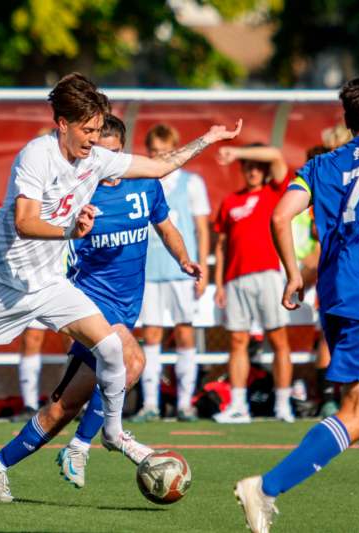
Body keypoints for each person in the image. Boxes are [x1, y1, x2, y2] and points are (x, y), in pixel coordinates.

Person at [0, 72, 240, 463]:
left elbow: (159, 167)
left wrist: (207, 138)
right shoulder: (37, 155)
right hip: (0, 282)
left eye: (97, 130)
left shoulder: (99, 160)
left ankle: (107, 434)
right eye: (88, 130)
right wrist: (71, 229)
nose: (93, 138)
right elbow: (24, 221)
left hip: (50, 285)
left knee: (120, 354)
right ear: (63, 125)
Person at [235, 72, 359, 533]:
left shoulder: (324, 164)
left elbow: (280, 217)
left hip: (334, 294)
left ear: (347, 118)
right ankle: (265, 488)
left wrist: (292, 275)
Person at [0, 114, 201, 500]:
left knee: (63, 407)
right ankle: (88, 445)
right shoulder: (80, 191)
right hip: (89, 301)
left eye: (115, 154)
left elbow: (165, 227)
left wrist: (184, 259)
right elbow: (35, 227)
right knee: (132, 360)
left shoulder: (146, 184)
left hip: (128, 304)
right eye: (101, 154)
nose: (108, 165)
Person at [134, 123, 211, 422]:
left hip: (181, 272)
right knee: (151, 335)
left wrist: (201, 268)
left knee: (184, 333)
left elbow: (202, 230)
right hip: (150, 272)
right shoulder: (143, 181)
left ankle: (184, 403)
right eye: (154, 151)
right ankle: (150, 404)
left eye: (164, 151)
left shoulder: (191, 182)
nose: (159, 156)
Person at [213, 143, 294, 423]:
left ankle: (283, 404)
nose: (253, 171)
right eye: (248, 166)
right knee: (237, 340)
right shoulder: (230, 201)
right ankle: (238, 405)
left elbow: (276, 154)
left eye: (257, 166)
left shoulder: (275, 191)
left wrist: (237, 152)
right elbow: (222, 246)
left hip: (268, 274)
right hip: (235, 279)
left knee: (278, 339)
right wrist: (219, 283)